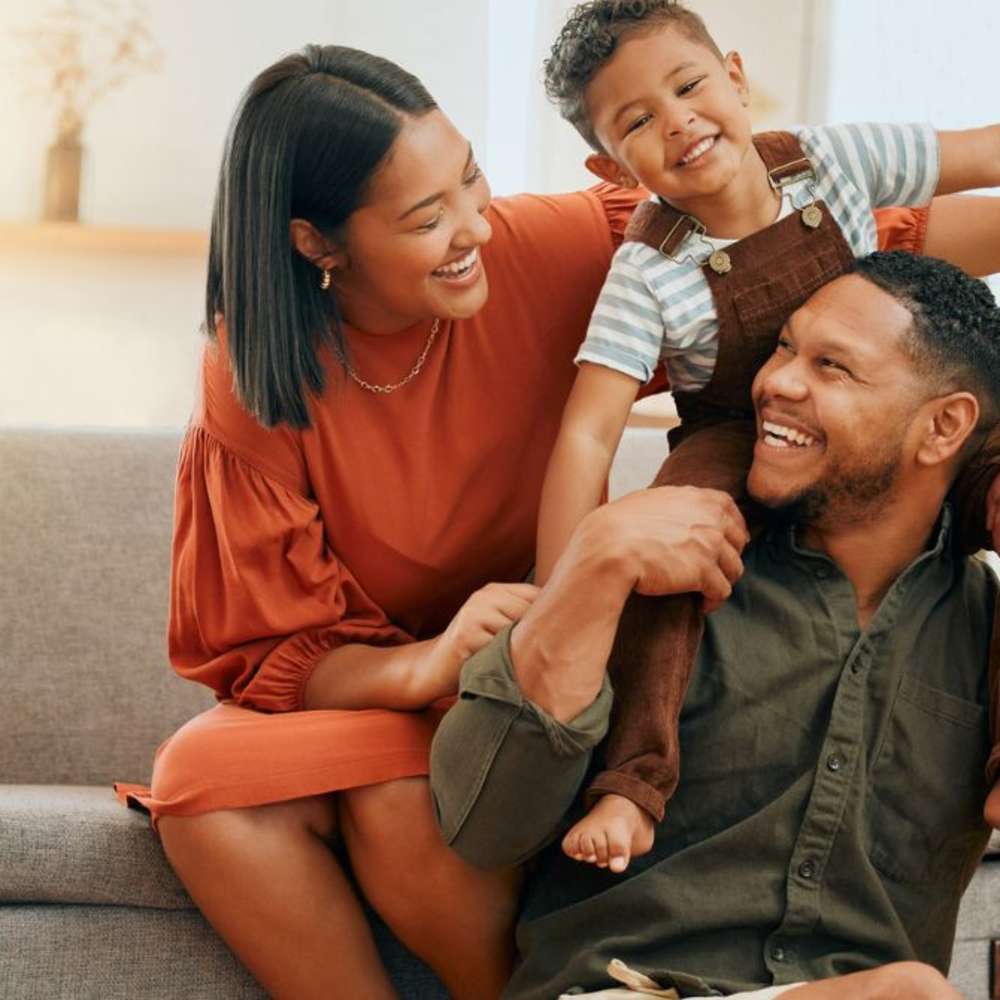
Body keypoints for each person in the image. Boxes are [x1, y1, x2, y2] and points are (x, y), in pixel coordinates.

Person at [108, 42, 1000, 1000]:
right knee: (205, 778)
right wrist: (431, 660)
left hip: (555, 660)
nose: (473, 229)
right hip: (449, 676)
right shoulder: (257, 378)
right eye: (425, 218)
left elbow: (826, 252)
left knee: (393, 798)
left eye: (471, 179)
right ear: (316, 243)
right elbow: (272, 646)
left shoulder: (560, 249)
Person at [431, 251, 1000, 1000]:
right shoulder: (653, 566)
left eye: (833, 368)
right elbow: (483, 825)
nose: (778, 382)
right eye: (785, 347)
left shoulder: (984, 631)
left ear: (943, 427)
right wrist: (594, 564)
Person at [532, 0, 1000, 872]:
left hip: (877, 399)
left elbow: (978, 148)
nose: (678, 122)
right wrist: (567, 582)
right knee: (667, 555)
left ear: (737, 79)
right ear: (610, 163)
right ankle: (632, 782)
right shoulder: (649, 269)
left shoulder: (836, 159)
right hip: (736, 429)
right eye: (638, 121)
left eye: (689, 85)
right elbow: (589, 435)